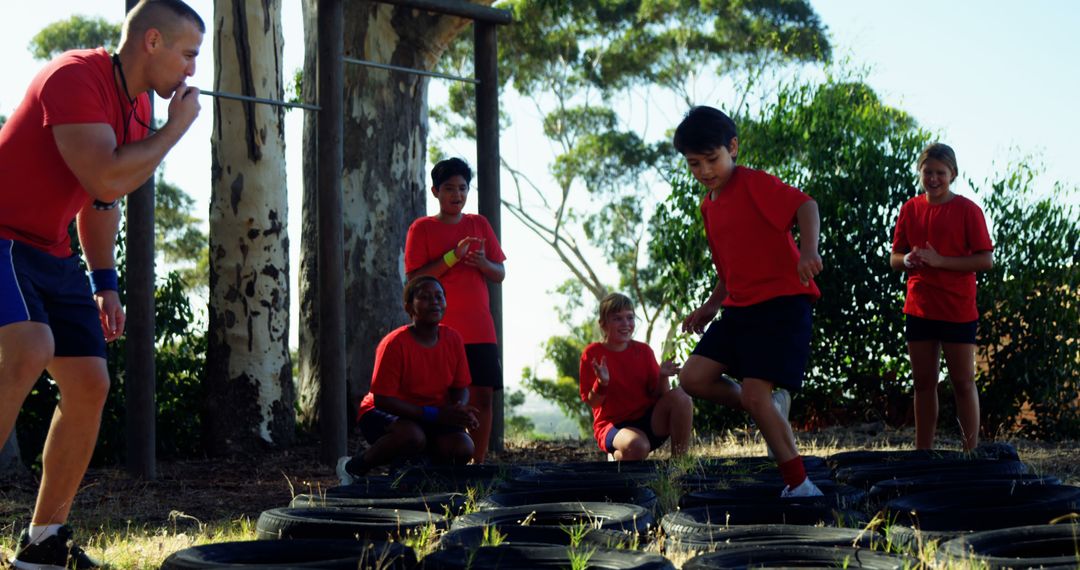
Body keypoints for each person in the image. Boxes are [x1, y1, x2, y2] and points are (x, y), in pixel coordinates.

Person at [0, 1, 203, 567]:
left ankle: (43, 544)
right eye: (188, 55)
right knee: (30, 348)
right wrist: (175, 132)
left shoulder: (137, 106)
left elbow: (101, 198)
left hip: (52, 248)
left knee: (90, 383)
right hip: (1, 234)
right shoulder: (74, 77)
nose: (191, 71)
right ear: (153, 41)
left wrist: (105, 281)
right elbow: (107, 172)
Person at [673, 106, 824, 497]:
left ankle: (800, 485)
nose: (705, 170)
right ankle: (767, 405)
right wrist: (709, 306)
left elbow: (806, 205)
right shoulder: (709, 206)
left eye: (712, 159)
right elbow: (729, 270)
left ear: (733, 148)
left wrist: (809, 251)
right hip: (739, 308)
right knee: (692, 378)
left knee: (757, 395)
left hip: (781, 305)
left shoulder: (752, 183)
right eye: (694, 164)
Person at [890, 143, 992, 451]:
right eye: (928, 172)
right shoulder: (910, 209)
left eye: (940, 173)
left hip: (958, 309)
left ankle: (969, 453)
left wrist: (940, 261)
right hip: (919, 307)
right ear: (920, 172)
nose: (934, 178)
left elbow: (986, 260)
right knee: (923, 384)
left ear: (953, 174)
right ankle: (923, 452)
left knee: (963, 383)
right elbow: (895, 257)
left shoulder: (968, 210)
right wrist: (906, 260)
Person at [404, 158, 506, 463]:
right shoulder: (421, 228)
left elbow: (499, 272)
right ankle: (442, 459)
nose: (457, 195)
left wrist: (482, 263)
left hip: (480, 328)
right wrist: (452, 256)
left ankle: (479, 464)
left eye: (462, 188)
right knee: (443, 397)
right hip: (439, 330)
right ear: (435, 191)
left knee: (483, 397)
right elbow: (415, 278)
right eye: (449, 188)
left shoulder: (479, 224)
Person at [337, 276, 479, 483]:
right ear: (408, 307)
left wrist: (459, 410)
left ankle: (417, 469)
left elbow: (461, 386)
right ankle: (354, 467)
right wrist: (434, 415)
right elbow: (382, 399)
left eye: (439, 296)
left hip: (433, 414)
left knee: (463, 447)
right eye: (425, 297)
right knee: (412, 436)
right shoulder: (394, 343)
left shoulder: (453, 338)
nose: (434, 301)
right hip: (386, 412)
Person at [579, 293, 693, 461]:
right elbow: (593, 402)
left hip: (648, 421)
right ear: (603, 324)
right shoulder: (592, 353)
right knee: (638, 447)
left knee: (682, 397)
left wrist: (662, 377)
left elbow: (660, 396)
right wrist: (602, 383)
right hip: (613, 427)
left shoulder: (644, 351)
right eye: (617, 318)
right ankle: (618, 455)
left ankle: (679, 463)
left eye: (630, 317)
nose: (626, 324)